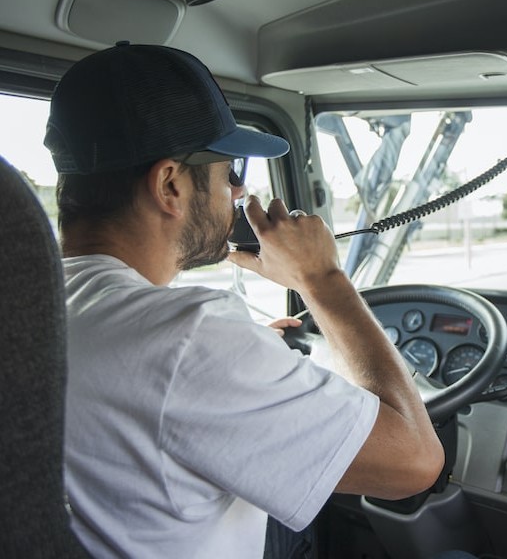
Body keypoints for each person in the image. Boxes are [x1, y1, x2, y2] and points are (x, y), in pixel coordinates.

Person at [44, 42, 445, 558]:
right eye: (229, 171)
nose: (237, 193)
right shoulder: (189, 339)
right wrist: (321, 278)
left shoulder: (34, 303)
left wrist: (252, 358)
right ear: (170, 185)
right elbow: (415, 462)